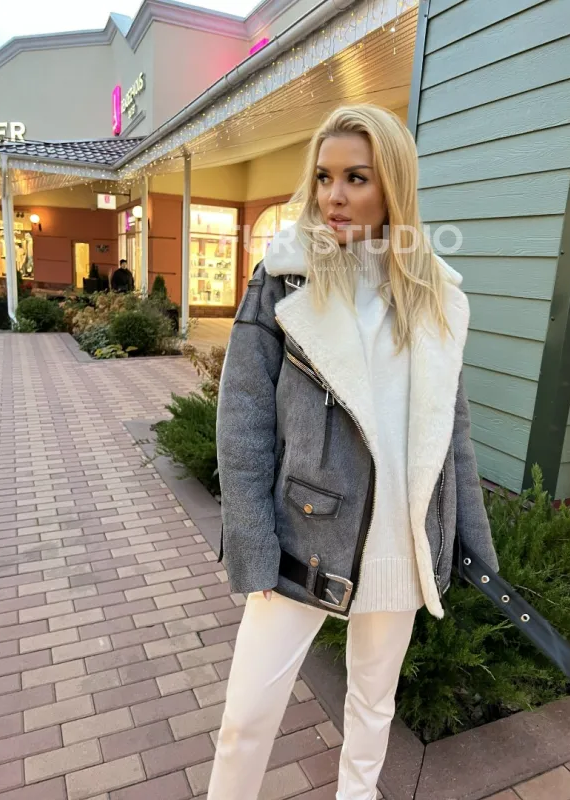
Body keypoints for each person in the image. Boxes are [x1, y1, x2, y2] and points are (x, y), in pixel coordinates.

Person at [210, 104, 499, 800]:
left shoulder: (433, 296)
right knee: (244, 721)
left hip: (403, 538)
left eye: (356, 178)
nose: (333, 196)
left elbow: (452, 434)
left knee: (373, 711)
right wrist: (251, 542)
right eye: (323, 177)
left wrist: (472, 546)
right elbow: (243, 421)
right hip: (304, 538)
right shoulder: (283, 279)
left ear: (392, 186)